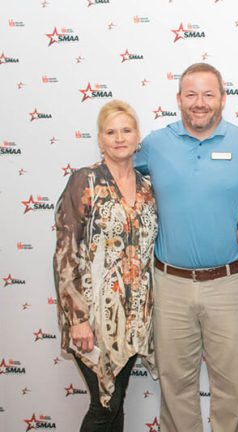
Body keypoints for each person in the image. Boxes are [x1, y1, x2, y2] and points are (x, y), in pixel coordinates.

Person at [134, 63, 238, 432]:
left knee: (231, 387)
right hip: (170, 284)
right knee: (175, 386)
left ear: (223, 99)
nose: (199, 103)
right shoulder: (155, 145)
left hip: (229, 282)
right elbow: (117, 174)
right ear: (178, 99)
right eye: (191, 94)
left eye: (208, 94)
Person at [53, 99, 157, 431]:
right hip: (93, 316)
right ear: (100, 139)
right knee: (102, 406)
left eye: (126, 130)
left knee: (116, 403)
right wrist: (78, 320)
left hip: (133, 317)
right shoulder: (85, 182)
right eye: (110, 132)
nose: (119, 138)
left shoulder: (147, 188)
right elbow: (66, 254)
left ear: (137, 135)